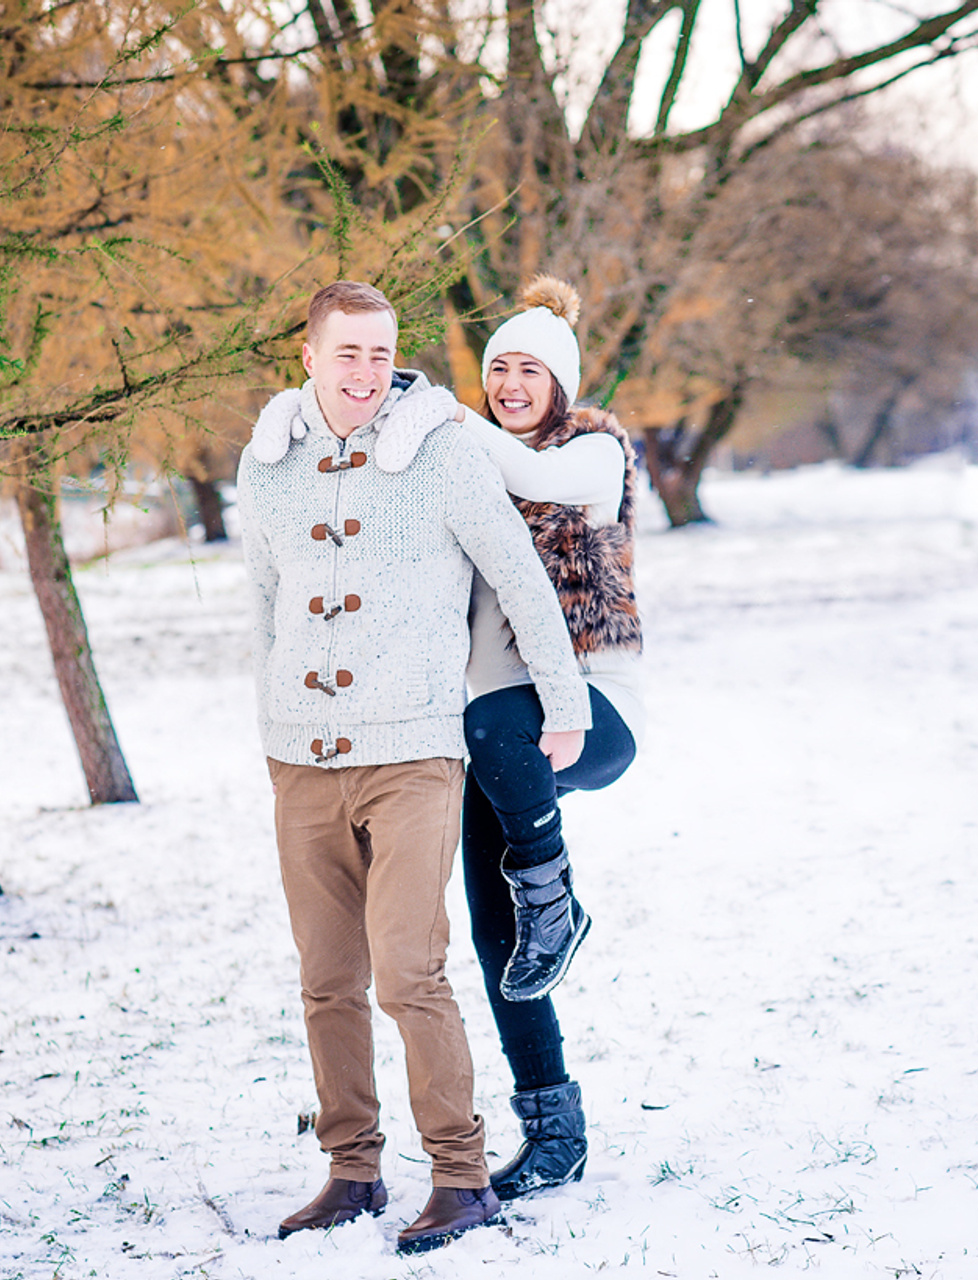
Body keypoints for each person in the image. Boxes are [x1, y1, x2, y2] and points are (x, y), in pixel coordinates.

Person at [236, 281, 592, 1253]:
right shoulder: (267, 461)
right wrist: (268, 713)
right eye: (346, 352)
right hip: (301, 752)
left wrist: (563, 701)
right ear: (307, 355)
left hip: (413, 752)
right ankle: (351, 1169)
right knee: (326, 977)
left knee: (407, 970)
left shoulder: (435, 451)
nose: (365, 372)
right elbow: (262, 595)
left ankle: (460, 1174)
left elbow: (517, 571)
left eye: (379, 353)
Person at [458, 275, 645, 1200]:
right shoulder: (473, 461)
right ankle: (554, 1123)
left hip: (594, 711)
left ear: (560, 382)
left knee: (492, 720)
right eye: (496, 368)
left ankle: (555, 896)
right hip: (500, 738)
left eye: (529, 368)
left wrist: (441, 421)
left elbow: (527, 473)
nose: (509, 383)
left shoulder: (593, 454)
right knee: (498, 936)